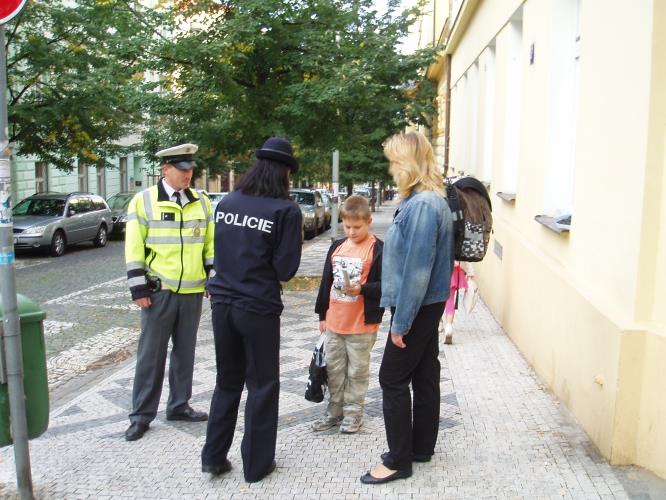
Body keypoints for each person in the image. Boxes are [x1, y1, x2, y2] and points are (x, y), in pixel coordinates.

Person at [201, 137, 303, 483]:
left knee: (227, 382)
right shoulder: (286, 211)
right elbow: (285, 269)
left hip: (222, 304)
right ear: (284, 173)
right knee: (262, 385)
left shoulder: (228, 202)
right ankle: (257, 466)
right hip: (258, 307)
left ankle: (213, 457)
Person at [360, 132, 454, 485]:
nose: (391, 169)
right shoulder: (424, 200)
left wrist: (400, 324)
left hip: (417, 304)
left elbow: (417, 270)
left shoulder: (424, 205)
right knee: (425, 372)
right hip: (427, 302)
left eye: (395, 162)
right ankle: (421, 447)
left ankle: (399, 460)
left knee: (392, 378)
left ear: (409, 164)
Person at [124, 143, 215, 442]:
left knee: (185, 352)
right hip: (158, 292)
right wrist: (138, 287)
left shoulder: (202, 202)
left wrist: (213, 279)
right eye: (181, 170)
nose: (188, 175)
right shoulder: (144, 201)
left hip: (192, 291)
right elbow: (134, 247)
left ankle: (179, 405)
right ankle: (141, 415)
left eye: (190, 170)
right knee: (151, 355)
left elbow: (210, 245)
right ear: (166, 169)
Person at [312, 195, 384, 434]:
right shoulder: (337, 247)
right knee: (334, 370)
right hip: (335, 322)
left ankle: (353, 414)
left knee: (357, 372)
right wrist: (322, 314)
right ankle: (334, 411)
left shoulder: (378, 249)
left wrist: (362, 289)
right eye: (347, 226)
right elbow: (326, 281)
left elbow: (387, 286)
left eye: (357, 227)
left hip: (361, 325)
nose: (351, 232)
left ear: (369, 221)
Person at [440, 261, 476, 344]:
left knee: (438, 299)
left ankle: (439, 323)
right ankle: (449, 327)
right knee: (450, 300)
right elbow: (465, 255)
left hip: (440, 269)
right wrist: (470, 271)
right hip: (454, 270)